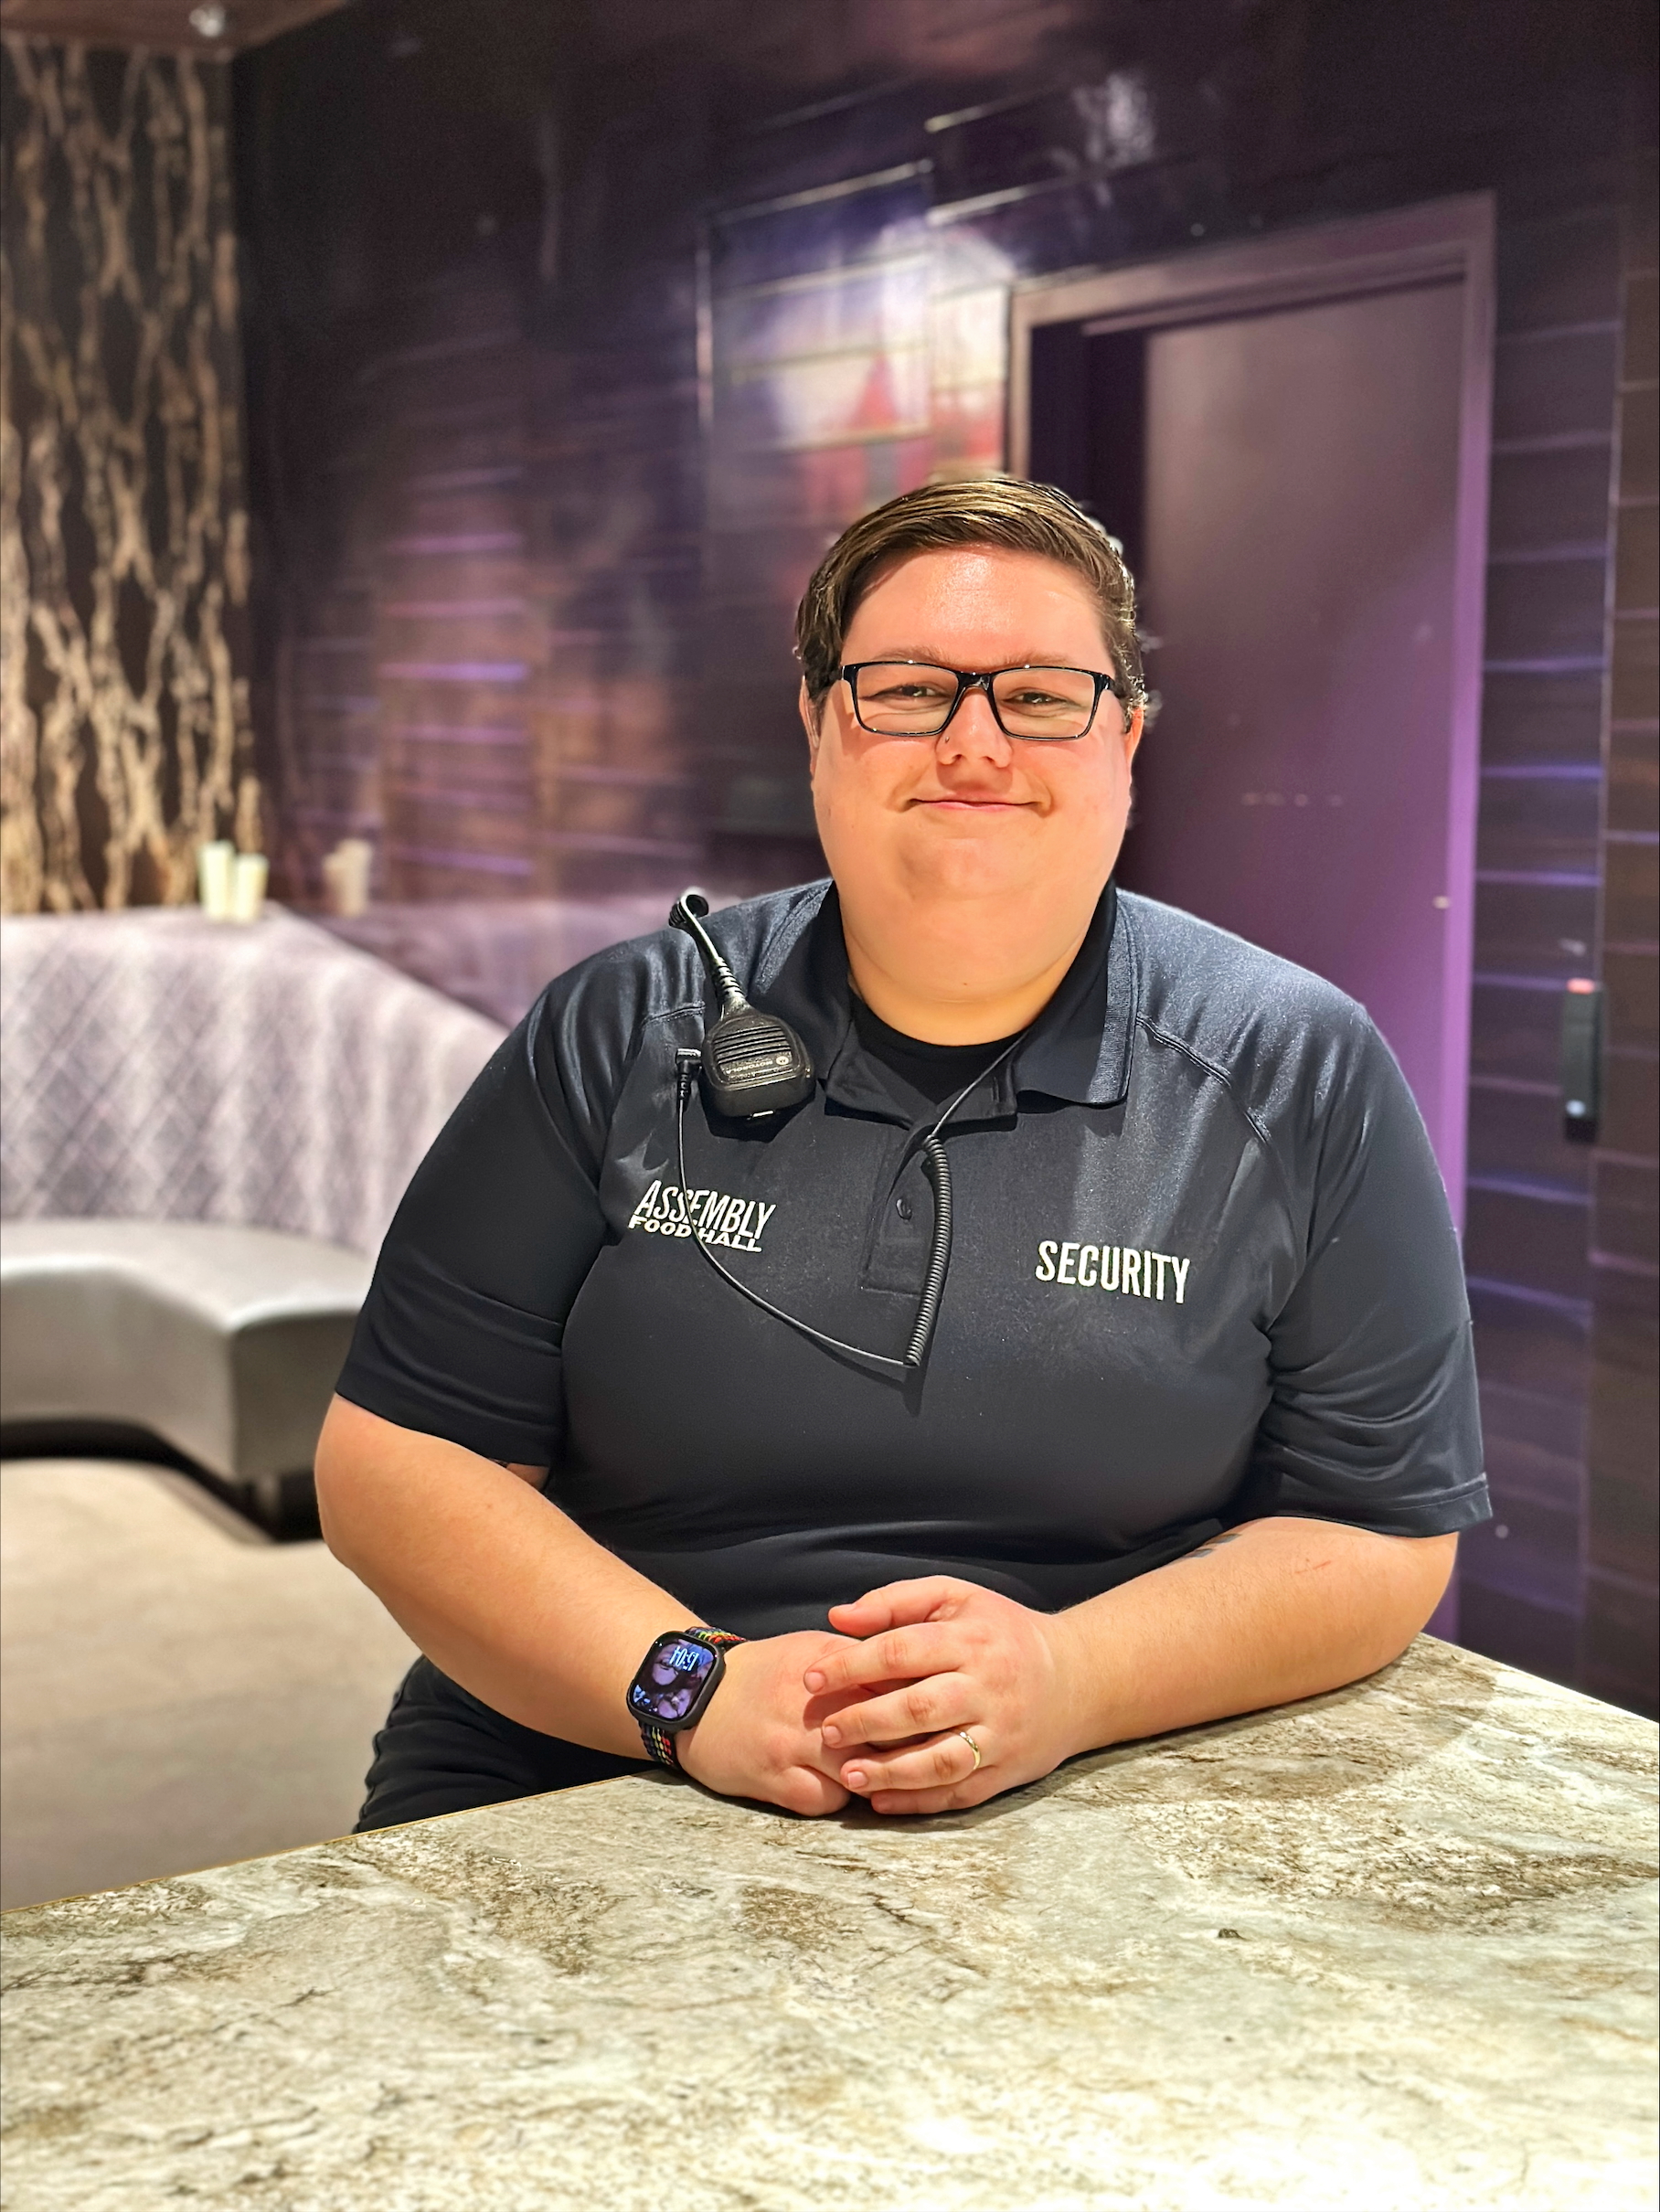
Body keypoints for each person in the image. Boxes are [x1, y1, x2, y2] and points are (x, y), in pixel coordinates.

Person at [317, 477, 1488, 1830]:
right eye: (911, 690)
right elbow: (399, 1460)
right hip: (592, 1745)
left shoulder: (1294, 1065)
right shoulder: (624, 1027)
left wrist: (1075, 1678)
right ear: (819, 727)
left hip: (1106, 1770)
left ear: (1126, 741)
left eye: (1040, 696)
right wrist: (693, 1692)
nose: (975, 744)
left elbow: (1379, 1526)